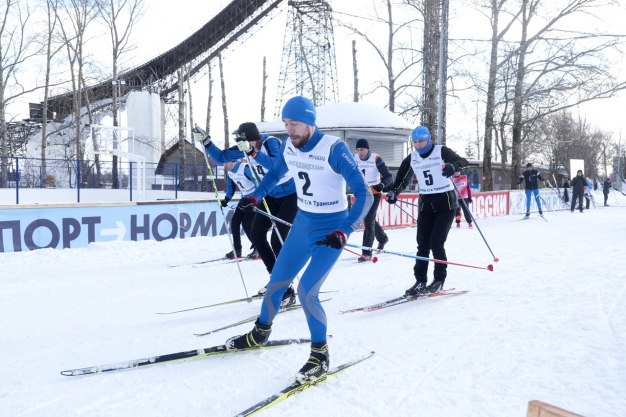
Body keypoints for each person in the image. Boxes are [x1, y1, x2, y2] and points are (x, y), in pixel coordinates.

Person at [224, 96, 373, 383]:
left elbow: (363, 193)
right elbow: (273, 175)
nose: (290, 130)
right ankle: (259, 333)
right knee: (275, 284)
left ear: (310, 122)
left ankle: (320, 354)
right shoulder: (289, 147)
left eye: (295, 124)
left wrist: (344, 230)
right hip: (303, 223)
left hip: (330, 229)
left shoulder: (333, 148)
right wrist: (255, 196)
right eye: (286, 124)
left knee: (307, 293)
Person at [198, 122, 299, 300]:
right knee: (256, 234)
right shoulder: (245, 148)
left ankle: (287, 288)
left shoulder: (271, 143)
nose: (242, 147)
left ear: (253, 139)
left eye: (245, 143)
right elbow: (221, 157)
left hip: (290, 195)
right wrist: (207, 142)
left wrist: (253, 153)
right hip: (269, 195)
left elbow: (275, 166)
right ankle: (276, 280)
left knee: (277, 241)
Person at [386, 126, 469, 296]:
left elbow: (463, 162)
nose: (418, 145)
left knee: (436, 243)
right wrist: (394, 191)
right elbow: (402, 178)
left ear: (429, 139)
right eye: (415, 142)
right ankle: (420, 281)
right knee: (422, 244)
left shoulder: (441, 151)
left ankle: (439, 279)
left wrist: (453, 167)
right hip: (425, 203)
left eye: (421, 141)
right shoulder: (412, 158)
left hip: (445, 203)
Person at [353, 138, 392, 262]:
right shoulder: (354, 158)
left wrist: (381, 185)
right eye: (358, 150)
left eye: (362, 149)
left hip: (374, 194)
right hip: (361, 193)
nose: (360, 152)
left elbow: (388, 176)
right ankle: (382, 238)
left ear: (368, 149)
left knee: (369, 220)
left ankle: (366, 252)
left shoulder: (376, 158)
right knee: (370, 219)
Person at [221, 160, 257, 259]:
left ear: (234, 162)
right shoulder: (230, 172)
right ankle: (237, 250)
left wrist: (258, 197)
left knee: (246, 223)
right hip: (244, 198)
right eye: (223, 163)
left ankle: (258, 248)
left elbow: (258, 182)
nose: (225, 166)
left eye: (226, 163)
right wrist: (226, 199)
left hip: (255, 199)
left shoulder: (244, 168)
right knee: (235, 222)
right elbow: (231, 187)